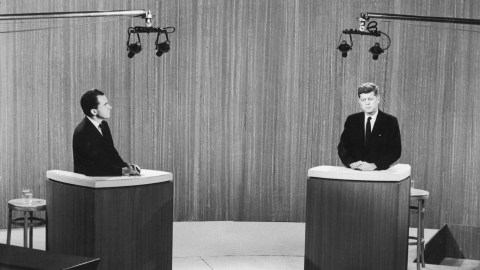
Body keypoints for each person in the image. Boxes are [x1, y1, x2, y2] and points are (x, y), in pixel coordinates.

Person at [73, 89, 141, 176]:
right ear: (94, 111)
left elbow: (112, 153)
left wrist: (127, 166)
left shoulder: (104, 125)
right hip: (89, 183)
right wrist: (122, 171)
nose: (110, 107)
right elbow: (92, 168)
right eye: (105, 105)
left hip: (104, 179)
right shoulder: (82, 132)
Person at [337, 82, 401, 171]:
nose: (367, 103)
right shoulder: (352, 120)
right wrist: (351, 163)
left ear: (378, 99)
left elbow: (395, 151)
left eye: (370, 99)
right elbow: (342, 148)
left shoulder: (390, 121)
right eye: (363, 100)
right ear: (359, 101)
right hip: (355, 173)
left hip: (380, 173)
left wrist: (375, 165)